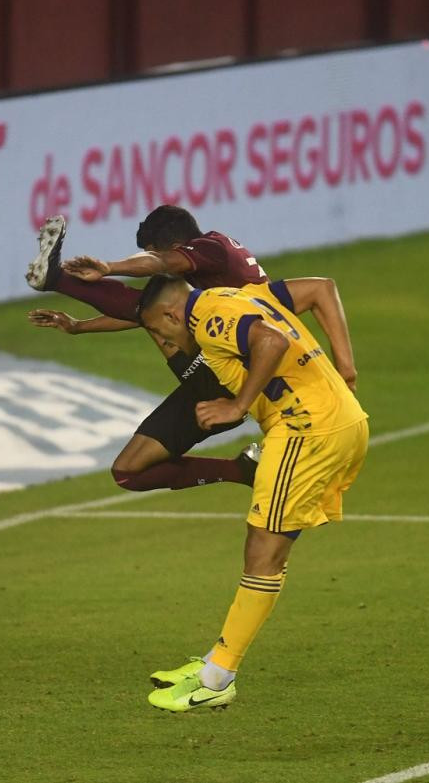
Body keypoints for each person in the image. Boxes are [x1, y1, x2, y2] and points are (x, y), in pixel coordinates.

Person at [134, 274, 368, 711]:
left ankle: (219, 678)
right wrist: (347, 366)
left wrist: (237, 405)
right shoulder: (245, 294)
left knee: (263, 553)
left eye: (156, 330)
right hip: (343, 420)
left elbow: (271, 341)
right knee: (267, 548)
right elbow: (323, 287)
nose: (161, 339)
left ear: (170, 313)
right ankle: (215, 662)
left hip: (305, 430)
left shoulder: (207, 320)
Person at [25, 205, 357, 494]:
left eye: (151, 252)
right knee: (127, 473)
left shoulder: (212, 250)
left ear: (170, 245)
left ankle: (55, 279)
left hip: (230, 380)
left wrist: (111, 268)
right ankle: (241, 471)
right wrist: (79, 326)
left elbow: (154, 286)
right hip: (213, 380)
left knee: (156, 312)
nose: (151, 260)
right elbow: (151, 314)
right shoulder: (218, 283)